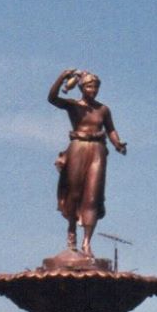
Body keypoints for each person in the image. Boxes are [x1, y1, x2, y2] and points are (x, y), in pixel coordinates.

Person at [49, 69, 126, 254]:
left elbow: (111, 129)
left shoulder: (103, 109)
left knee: (93, 195)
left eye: (96, 87)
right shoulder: (74, 106)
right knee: (74, 192)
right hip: (78, 147)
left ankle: (86, 242)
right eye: (90, 86)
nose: (93, 90)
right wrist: (62, 77)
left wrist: (117, 143)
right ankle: (72, 231)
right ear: (82, 87)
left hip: (98, 150)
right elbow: (52, 98)